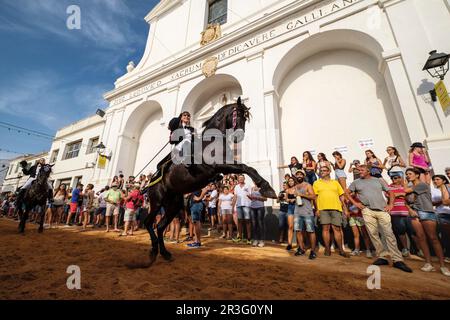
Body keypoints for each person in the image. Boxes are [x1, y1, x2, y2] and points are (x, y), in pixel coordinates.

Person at [346, 165, 412, 272]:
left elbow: (390, 192)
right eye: (358, 170)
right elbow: (347, 193)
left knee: (389, 234)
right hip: (367, 210)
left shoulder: (378, 180)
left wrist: (390, 205)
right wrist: (356, 203)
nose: (359, 171)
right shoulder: (356, 182)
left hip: (382, 210)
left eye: (362, 170)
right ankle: (382, 257)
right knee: (373, 234)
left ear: (368, 171)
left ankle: (397, 260)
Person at [404, 168, 450, 276]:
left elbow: (404, 192)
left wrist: (403, 185)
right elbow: (405, 201)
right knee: (421, 238)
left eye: (410, 174)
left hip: (426, 212)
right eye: (406, 174)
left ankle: (443, 266)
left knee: (433, 238)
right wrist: (410, 210)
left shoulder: (422, 185)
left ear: (417, 175)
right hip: (415, 213)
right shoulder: (411, 187)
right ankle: (428, 263)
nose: (407, 175)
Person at [313, 166, 349, 258]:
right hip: (323, 209)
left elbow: (341, 196)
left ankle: (341, 249)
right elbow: (315, 197)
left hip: (336, 208)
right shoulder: (316, 183)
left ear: (329, 171)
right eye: (321, 171)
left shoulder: (335, 183)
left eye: (324, 170)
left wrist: (345, 208)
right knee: (325, 229)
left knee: (337, 229)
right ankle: (327, 248)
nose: (322, 172)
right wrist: (317, 209)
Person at [293, 170, 317, 259]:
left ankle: (313, 251)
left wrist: (302, 194)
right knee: (298, 231)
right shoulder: (295, 187)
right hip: (297, 212)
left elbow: (313, 196)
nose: (299, 175)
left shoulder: (308, 185)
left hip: (307, 212)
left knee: (310, 231)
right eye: (297, 174)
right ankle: (301, 249)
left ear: (303, 176)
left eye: (300, 174)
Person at [388, 173, 412, 257]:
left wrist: (396, 195)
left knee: (413, 232)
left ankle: (418, 250)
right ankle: (405, 248)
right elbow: (389, 196)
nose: (394, 179)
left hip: (408, 211)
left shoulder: (406, 187)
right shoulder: (388, 187)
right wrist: (401, 194)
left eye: (396, 177)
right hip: (395, 212)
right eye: (392, 178)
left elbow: (410, 197)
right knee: (400, 232)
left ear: (400, 179)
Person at [431, 175, 450, 261]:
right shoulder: (433, 190)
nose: (435, 181)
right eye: (434, 180)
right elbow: (432, 203)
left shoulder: (448, 188)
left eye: (438, 179)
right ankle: (446, 255)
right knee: (444, 234)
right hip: (441, 213)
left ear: (444, 181)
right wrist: (442, 201)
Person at [232, 175, 252, 245]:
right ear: (238, 179)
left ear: (244, 178)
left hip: (246, 205)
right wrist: (233, 206)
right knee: (239, 221)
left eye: (242, 178)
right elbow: (235, 196)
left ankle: (249, 238)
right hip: (239, 206)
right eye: (239, 178)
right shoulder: (236, 187)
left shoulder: (248, 185)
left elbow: (251, 195)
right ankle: (240, 237)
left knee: (247, 221)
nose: (241, 179)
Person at [285, 177, 297, 250]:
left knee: (299, 227)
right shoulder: (287, 190)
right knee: (290, 226)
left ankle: (300, 244)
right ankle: (289, 244)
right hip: (290, 208)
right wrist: (289, 200)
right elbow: (286, 199)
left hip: (298, 208)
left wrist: (295, 199)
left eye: (292, 180)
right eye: (289, 181)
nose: (291, 182)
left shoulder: (297, 188)